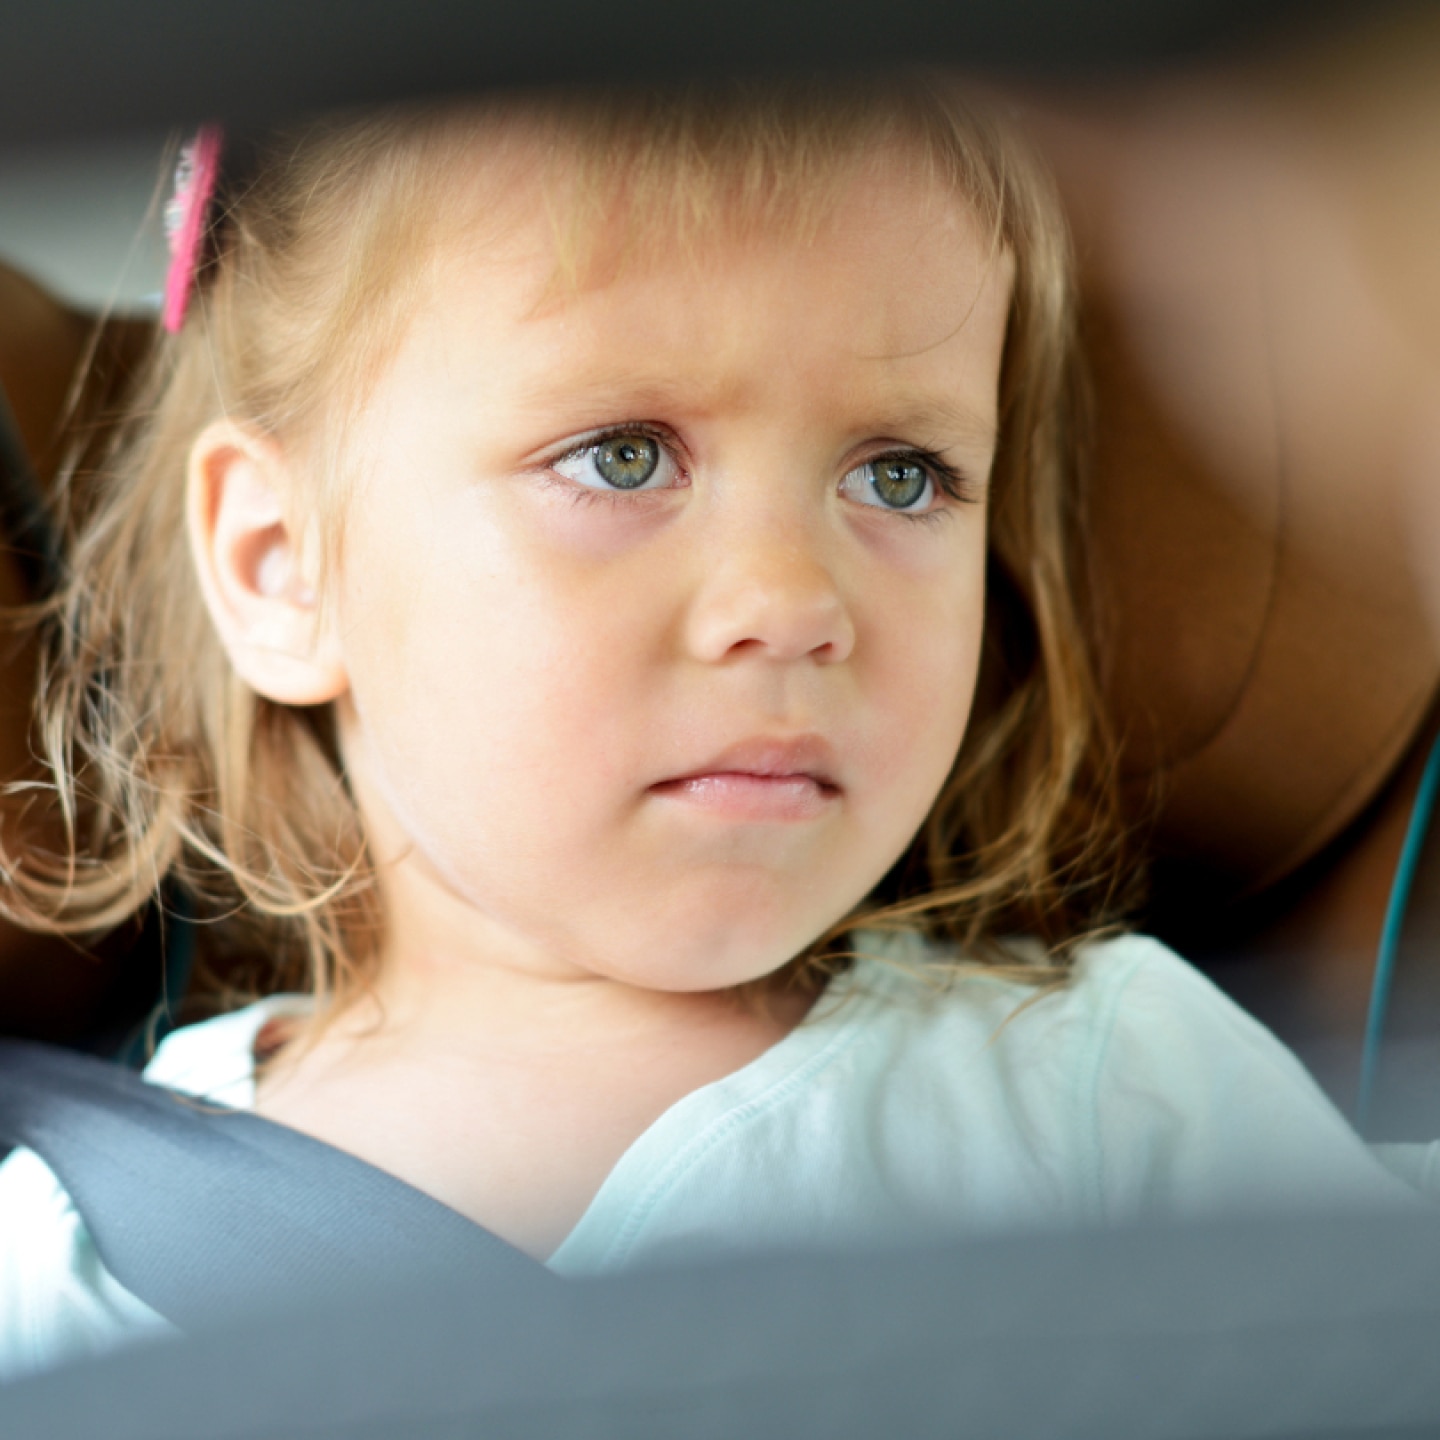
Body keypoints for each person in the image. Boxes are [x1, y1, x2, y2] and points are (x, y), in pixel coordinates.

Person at [0, 77, 1423, 1383]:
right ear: (281, 566)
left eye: (902, 474)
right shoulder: (68, 1259)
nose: (793, 600)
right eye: (622, 457)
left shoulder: (1117, 1097)